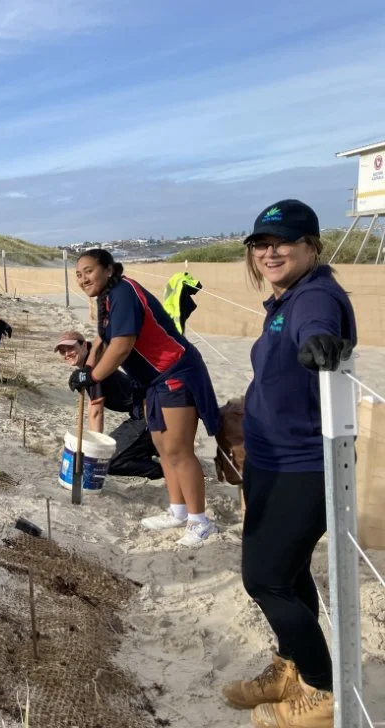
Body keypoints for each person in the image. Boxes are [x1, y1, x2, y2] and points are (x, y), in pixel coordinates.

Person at [222, 200, 356, 727]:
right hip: (270, 457)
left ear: (312, 247)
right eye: (260, 244)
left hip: (302, 464)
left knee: (266, 580)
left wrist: (322, 345)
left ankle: (324, 693)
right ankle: (289, 668)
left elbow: (318, 329)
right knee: (289, 571)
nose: (269, 251)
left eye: (283, 242)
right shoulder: (285, 298)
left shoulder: (315, 296)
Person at [68, 249, 220, 548]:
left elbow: (123, 344)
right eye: (78, 274)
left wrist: (95, 376)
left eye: (88, 270)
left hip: (175, 371)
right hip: (151, 381)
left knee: (178, 449)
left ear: (109, 269)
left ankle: (200, 521)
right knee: (162, 447)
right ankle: (177, 510)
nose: (83, 278)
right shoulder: (106, 299)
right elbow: (102, 339)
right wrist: (85, 369)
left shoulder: (124, 291)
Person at [54, 331, 163, 480]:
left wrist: (95, 449)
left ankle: (165, 472)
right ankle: (150, 452)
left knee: (107, 461)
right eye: (62, 351)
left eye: (71, 348)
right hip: (144, 410)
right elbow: (92, 405)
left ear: (84, 345)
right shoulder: (90, 365)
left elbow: (96, 411)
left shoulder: (92, 369)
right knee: (113, 451)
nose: (67, 354)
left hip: (151, 411)